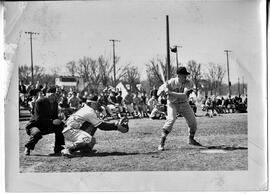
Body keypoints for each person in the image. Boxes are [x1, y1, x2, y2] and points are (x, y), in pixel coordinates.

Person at [60, 96, 129, 157]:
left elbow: (98, 124)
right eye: (97, 103)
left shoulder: (86, 109)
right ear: (92, 104)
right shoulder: (89, 111)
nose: (98, 105)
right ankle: (68, 149)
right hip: (71, 130)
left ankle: (85, 150)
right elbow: (101, 126)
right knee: (88, 140)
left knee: (92, 141)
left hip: (72, 129)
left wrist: (115, 125)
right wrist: (116, 126)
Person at [157, 67, 202, 151]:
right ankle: (161, 143)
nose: (185, 77)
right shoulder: (170, 82)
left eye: (186, 75)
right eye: (183, 75)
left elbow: (184, 95)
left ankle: (191, 139)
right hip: (172, 104)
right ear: (178, 76)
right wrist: (163, 91)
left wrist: (170, 92)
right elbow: (158, 93)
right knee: (171, 120)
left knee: (193, 122)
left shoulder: (189, 83)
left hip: (184, 104)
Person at [24, 90, 65, 156]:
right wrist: (52, 121)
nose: (52, 97)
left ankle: (58, 148)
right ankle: (28, 147)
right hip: (34, 125)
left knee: (61, 125)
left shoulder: (55, 104)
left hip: (46, 126)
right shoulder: (39, 102)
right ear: (46, 94)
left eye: (54, 96)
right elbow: (38, 118)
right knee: (37, 133)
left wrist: (59, 118)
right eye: (51, 95)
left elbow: (54, 116)